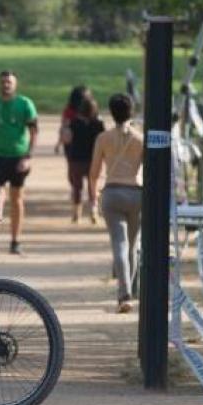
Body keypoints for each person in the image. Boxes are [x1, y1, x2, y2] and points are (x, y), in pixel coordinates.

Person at [89, 93, 144, 314]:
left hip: (112, 192)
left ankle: (124, 294)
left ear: (111, 113)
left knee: (119, 244)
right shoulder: (140, 139)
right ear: (132, 111)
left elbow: (94, 173)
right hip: (136, 192)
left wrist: (93, 199)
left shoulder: (103, 138)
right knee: (133, 245)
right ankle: (131, 289)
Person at [0, 70, 37, 255]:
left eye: (9, 82)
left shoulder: (25, 104)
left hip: (18, 157)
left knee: (16, 199)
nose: (6, 85)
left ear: (15, 84)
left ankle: (15, 241)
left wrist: (28, 156)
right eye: (3, 82)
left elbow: (34, 132)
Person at [62, 91, 104, 223]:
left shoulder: (74, 123)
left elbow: (67, 139)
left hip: (76, 159)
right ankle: (93, 211)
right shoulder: (98, 124)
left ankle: (76, 213)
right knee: (93, 186)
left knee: (77, 187)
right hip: (93, 159)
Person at [53, 85, 88, 155]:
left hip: (77, 142)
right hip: (76, 141)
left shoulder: (69, 110)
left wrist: (58, 143)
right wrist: (59, 143)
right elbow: (64, 127)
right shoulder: (70, 111)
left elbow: (63, 128)